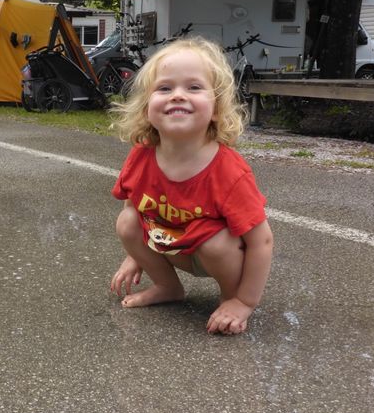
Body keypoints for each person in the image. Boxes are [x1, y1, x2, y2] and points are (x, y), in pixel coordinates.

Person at [109, 36, 273, 335]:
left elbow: (261, 242)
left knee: (216, 242)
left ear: (216, 108)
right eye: (164, 88)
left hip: (215, 255)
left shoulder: (228, 171)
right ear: (147, 108)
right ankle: (168, 286)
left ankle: (230, 298)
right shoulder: (142, 153)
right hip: (171, 246)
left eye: (194, 87)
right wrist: (135, 255)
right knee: (127, 222)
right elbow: (135, 205)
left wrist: (245, 301)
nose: (177, 95)